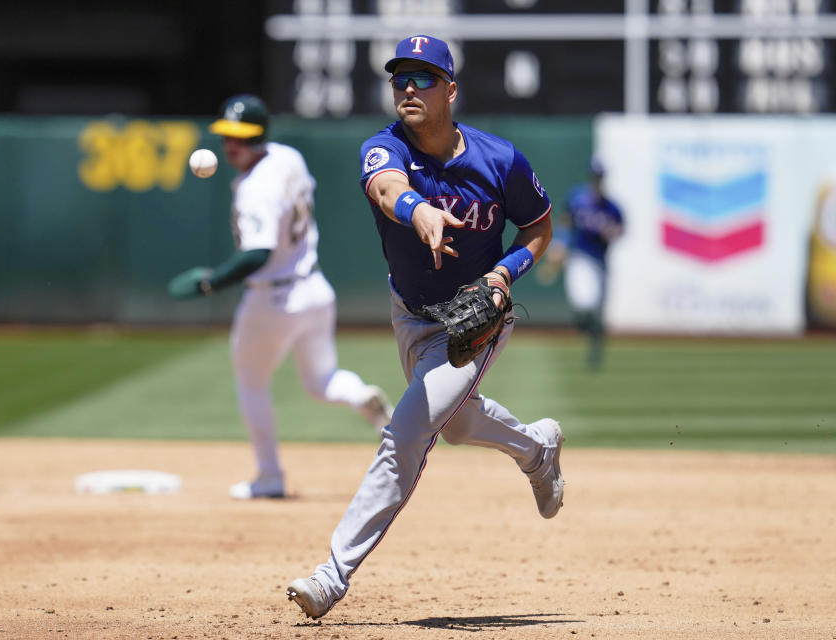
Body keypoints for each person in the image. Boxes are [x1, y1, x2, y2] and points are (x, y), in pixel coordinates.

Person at [286, 35, 565, 620]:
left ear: (451, 90)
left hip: (477, 316)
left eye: (424, 78)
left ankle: (331, 574)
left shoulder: (500, 159)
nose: (408, 89)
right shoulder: (382, 147)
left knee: (407, 431)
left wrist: (503, 275)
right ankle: (536, 449)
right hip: (412, 313)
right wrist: (419, 210)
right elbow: (388, 189)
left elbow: (539, 228)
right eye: (400, 79)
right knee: (459, 426)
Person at [168, 94, 394, 500]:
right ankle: (361, 395)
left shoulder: (256, 188)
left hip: (272, 301)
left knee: (251, 385)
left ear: (257, 136)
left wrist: (210, 282)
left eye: (239, 137)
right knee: (321, 381)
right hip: (314, 290)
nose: (229, 145)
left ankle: (270, 476)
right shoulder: (287, 157)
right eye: (226, 137)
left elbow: (258, 253)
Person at [546, 157, 624, 369]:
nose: (597, 180)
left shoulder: (611, 207)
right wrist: (558, 246)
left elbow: (620, 229)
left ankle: (595, 352)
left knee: (597, 310)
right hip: (579, 258)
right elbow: (565, 223)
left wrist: (612, 232)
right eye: (595, 176)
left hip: (600, 261)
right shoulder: (577, 199)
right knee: (583, 303)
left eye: (600, 176)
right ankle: (586, 329)